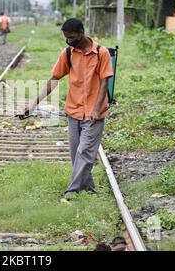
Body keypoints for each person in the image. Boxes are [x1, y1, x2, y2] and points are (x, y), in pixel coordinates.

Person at [24, 18, 114, 201]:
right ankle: (89, 189)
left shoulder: (101, 53)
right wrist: (34, 103)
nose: (69, 41)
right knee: (76, 155)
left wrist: (97, 109)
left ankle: (71, 192)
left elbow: (105, 81)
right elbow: (54, 79)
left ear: (81, 32)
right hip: (74, 111)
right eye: (66, 38)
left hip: (93, 114)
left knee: (85, 153)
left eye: (71, 37)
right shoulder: (68, 53)